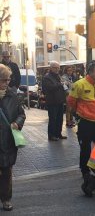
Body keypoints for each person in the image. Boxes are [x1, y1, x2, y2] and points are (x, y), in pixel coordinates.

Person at [67, 60, 95, 182]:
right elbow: (71, 101)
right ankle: (85, 171)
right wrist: (78, 114)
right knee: (85, 149)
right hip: (85, 122)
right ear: (90, 73)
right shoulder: (79, 84)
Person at [0, 64, 26, 211]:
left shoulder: (13, 95)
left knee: (7, 172)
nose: (7, 83)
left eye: (8, 79)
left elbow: (21, 114)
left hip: (8, 140)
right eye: (4, 80)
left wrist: (17, 122)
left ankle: (6, 199)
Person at [42, 61, 67, 141]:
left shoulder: (58, 76)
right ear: (51, 68)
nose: (57, 69)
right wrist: (61, 84)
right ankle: (51, 135)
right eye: (55, 68)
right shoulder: (47, 77)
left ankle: (58, 134)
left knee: (60, 119)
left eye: (58, 68)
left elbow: (60, 86)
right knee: (53, 119)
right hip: (52, 101)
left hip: (60, 101)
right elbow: (50, 88)